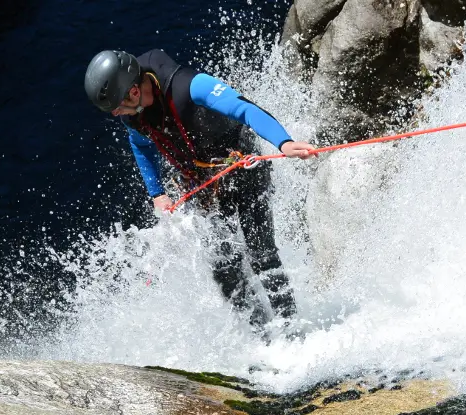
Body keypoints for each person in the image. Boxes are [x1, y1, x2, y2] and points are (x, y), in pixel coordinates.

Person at [83, 49, 316, 332]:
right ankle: (262, 336)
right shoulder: (132, 115)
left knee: (261, 254)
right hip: (202, 187)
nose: (116, 114)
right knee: (224, 268)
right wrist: (157, 194)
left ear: (133, 91)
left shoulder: (189, 85)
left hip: (242, 170)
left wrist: (284, 143)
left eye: (117, 107)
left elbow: (243, 108)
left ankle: (293, 330)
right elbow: (141, 145)